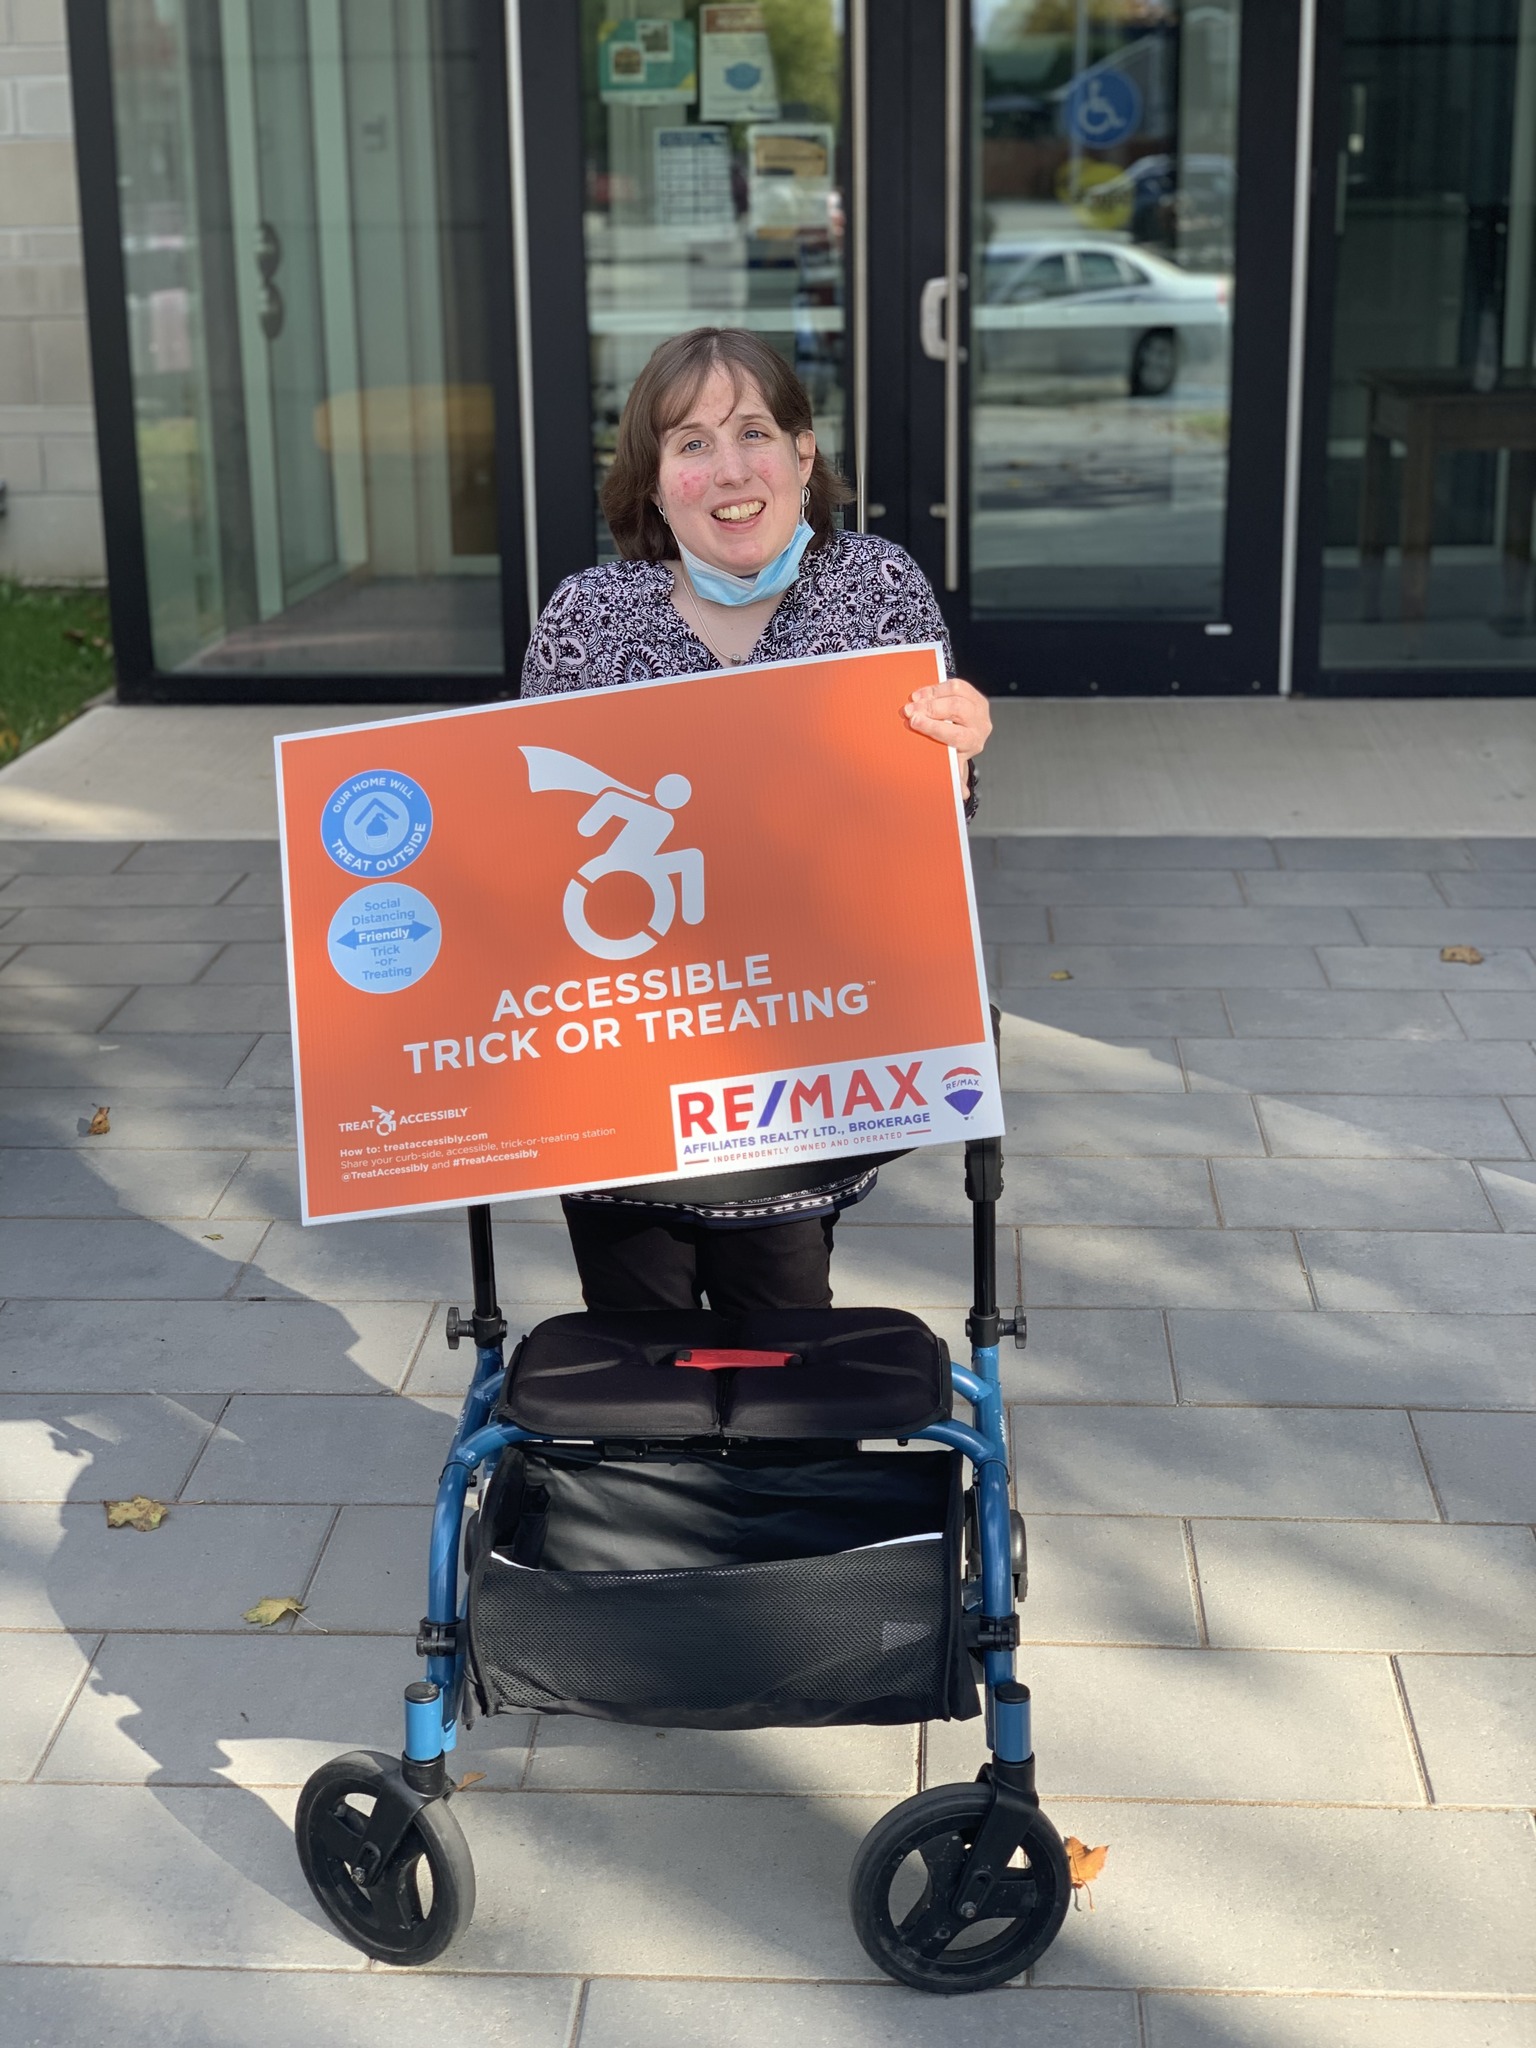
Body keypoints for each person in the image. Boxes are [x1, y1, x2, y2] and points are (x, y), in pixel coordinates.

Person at [521, 325, 991, 1316]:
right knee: (636, 1361)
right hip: (626, 1068)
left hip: (795, 1069)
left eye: (753, 432)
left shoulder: (876, 590)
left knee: (781, 1349)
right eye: (690, 442)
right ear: (653, 481)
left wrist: (955, 759)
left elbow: (927, 838)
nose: (729, 467)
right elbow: (532, 845)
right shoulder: (585, 614)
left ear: (803, 454)